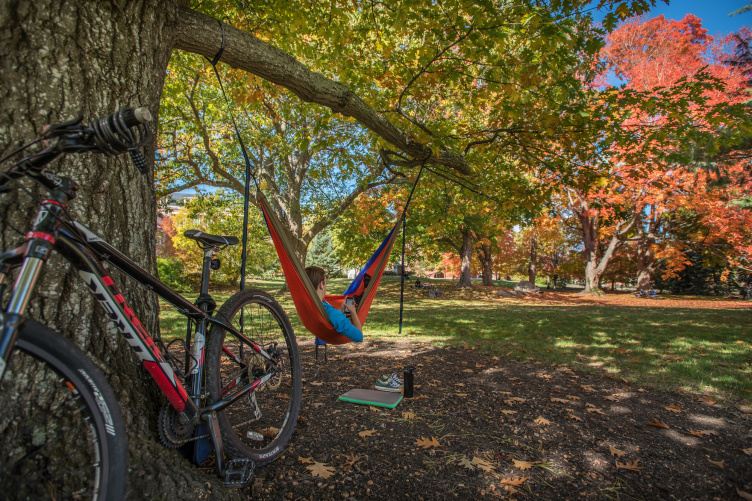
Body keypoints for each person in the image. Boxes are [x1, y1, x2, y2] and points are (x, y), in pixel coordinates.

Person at [305, 266, 363, 342]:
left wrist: (341, 309)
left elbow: (331, 320)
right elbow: (359, 337)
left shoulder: (307, 306)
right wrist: (353, 312)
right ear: (321, 284)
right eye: (326, 283)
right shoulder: (332, 313)